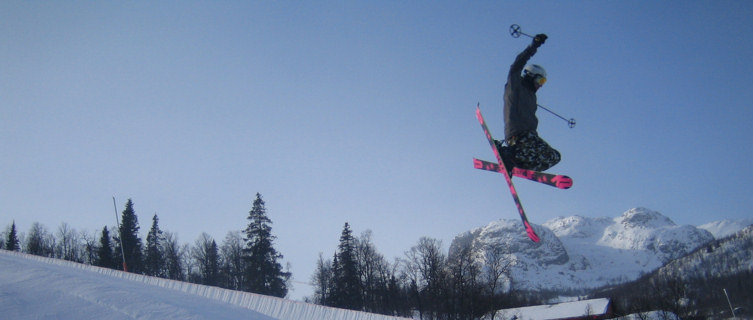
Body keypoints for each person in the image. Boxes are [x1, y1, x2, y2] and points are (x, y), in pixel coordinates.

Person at [496, 32, 561, 175]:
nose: (541, 85)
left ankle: (513, 161)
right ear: (531, 75)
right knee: (549, 155)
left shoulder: (532, 96)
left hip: (531, 136)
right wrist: (534, 45)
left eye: (543, 82)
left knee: (554, 157)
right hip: (518, 134)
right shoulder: (515, 84)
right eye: (540, 80)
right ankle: (509, 153)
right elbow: (518, 63)